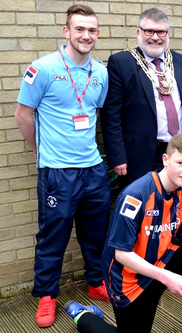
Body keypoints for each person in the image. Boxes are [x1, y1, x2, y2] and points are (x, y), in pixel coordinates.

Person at [65, 133, 182, 333]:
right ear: (166, 160)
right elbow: (121, 254)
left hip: (161, 259)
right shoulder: (136, 195)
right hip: (129, 276)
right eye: (181, 163)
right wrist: (167, 277)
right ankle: (83, 315)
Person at [14, 4, 111, 328]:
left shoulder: (100, 72)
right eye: (80, 29)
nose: (86, 35)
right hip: (57, 172)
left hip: (93, 169)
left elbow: (93, 113)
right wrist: (41, 153)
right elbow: (23, 115)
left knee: (96, 233)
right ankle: (47, 295)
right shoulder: (42, 68)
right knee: (53, 236)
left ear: (97, 34)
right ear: (66, 31)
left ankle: (96, 282)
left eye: (92, 30)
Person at [102, 8, 182, 184]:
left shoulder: (181, 61)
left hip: (181, 152)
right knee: (146, 206)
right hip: (142, 154)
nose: (155, 37)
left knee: (178, 204)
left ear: (167, 33)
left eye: (161, 31)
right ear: (139, 32)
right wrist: (117, 157)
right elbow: (111, 116)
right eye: (149, 31)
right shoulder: (122, 63)